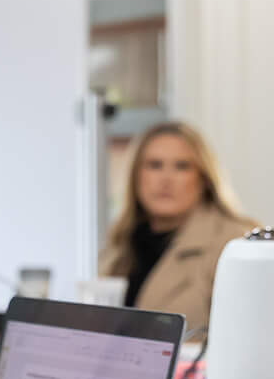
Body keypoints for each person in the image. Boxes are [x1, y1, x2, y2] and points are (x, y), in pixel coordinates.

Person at [99, 121, 254, 340]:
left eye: (182, 166)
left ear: (203, 178)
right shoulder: (119, 245)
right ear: (136, 176)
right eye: (154, 165)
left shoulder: (235, 243)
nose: (166, 179)